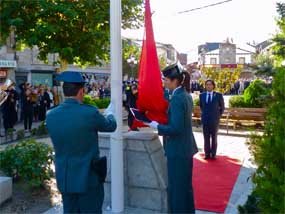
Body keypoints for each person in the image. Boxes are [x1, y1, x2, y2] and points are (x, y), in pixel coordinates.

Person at [46, 71, 117, 213]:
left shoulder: (51, 115)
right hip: (88, 179)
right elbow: (110, 126)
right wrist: (110, 114)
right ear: (81, 91)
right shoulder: (89, 112)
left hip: (65, 179)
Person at [145, 63, 196, 213]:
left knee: (177, 189)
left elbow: (176, 128)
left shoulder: (177, 99)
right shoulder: (184, 94)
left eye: (166, 80)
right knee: (185, 187)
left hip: (178, 150)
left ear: (175, 81)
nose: (164, 83)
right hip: (185, 148)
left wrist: (156, 126)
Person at [199, 79, 225, 159]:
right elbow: (201, 107)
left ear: (213, 86)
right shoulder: (202, 95)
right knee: (206, 138)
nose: (208, 86)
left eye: (210, 84)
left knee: (214, 138)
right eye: (207, 84)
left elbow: (222, 108)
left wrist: (217, 116)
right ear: (205, 86)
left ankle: (213, 154)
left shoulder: (218, 95)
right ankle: (207, 154)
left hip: (214, 120)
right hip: (205, 120)